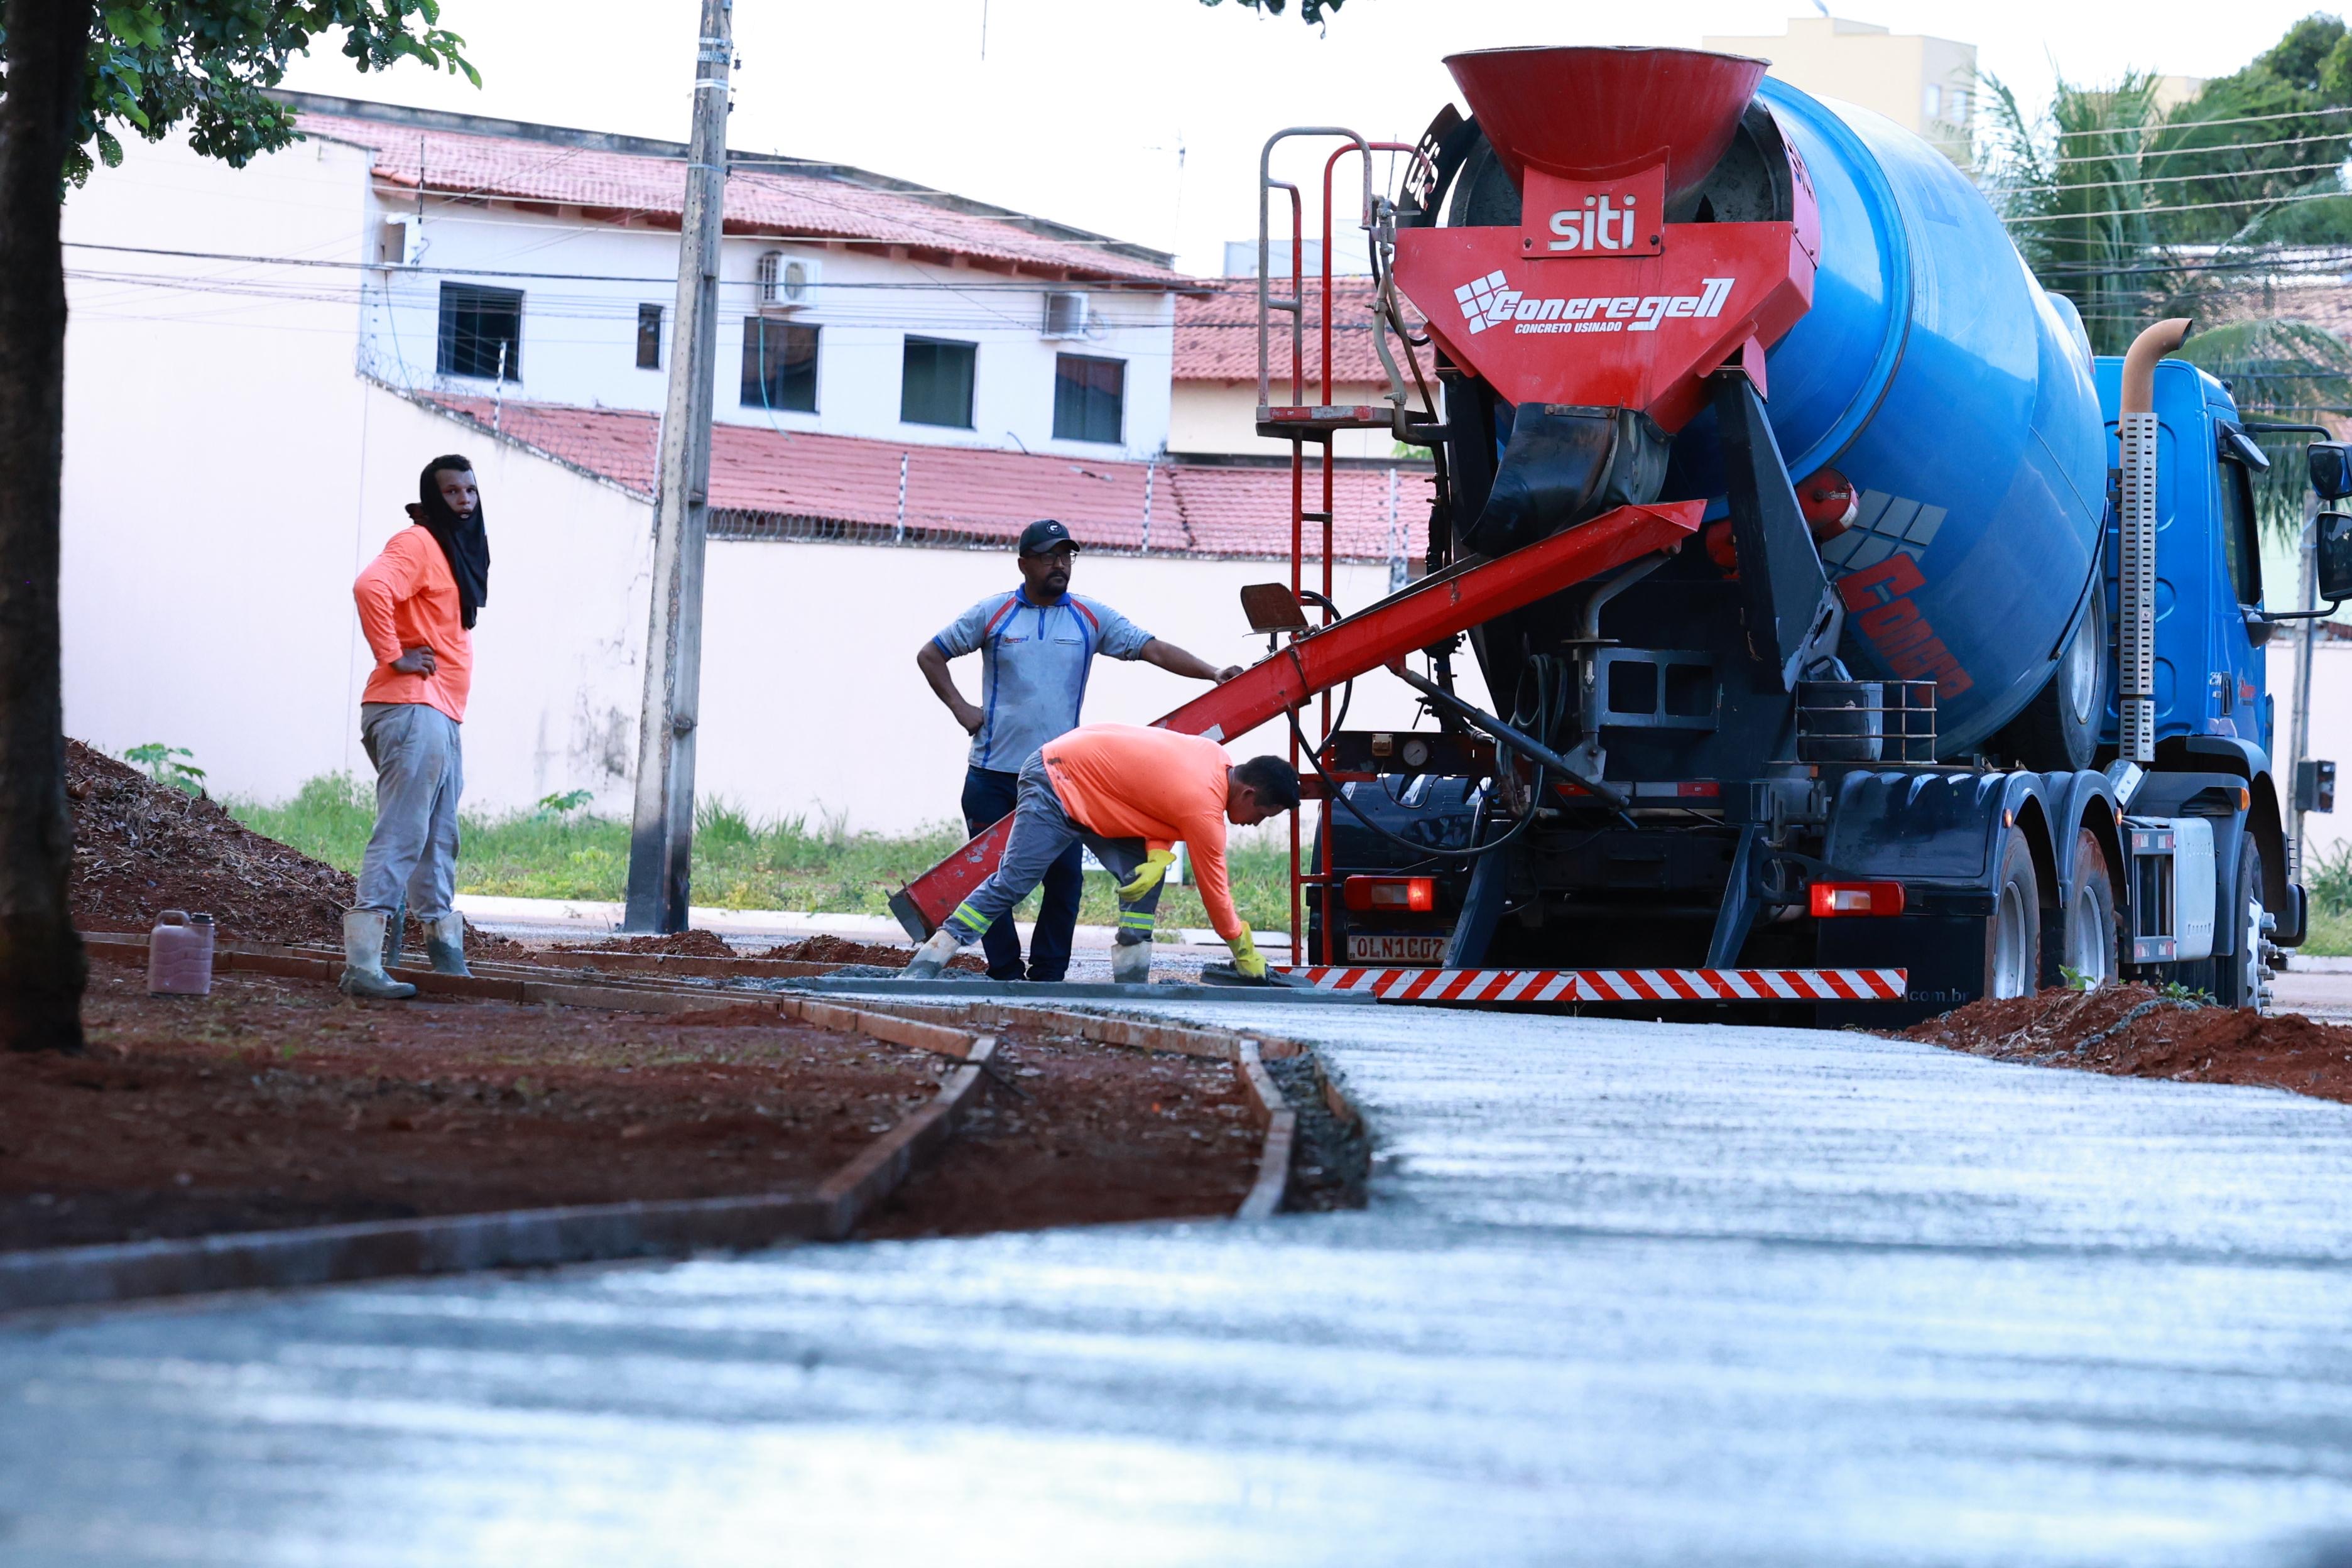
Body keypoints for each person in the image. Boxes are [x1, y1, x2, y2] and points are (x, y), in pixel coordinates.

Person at [917, 519, 1244, 981]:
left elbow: (1153, 649)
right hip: (992, 773)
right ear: (1024, 563)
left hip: (1062, 784)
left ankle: (1049, 974)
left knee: (1065, 882)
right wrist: (960, 708)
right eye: (1049, 556)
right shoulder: (993, 613)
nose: (1060, 565)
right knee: (993, 880)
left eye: (1067, 556)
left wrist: (1212, 673)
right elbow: (930, 654)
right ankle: (1005, 972)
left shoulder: (1090, 617)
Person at [903, 723, 1300, 985]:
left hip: (1096, 796)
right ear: (1248, 794)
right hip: (1056, 779)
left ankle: (1130, 981)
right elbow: (1216, 894)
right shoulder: (1204, 807)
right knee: (1015, 881)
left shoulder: (1215, 760)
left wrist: (1159, 852)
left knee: (1145, 878)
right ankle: (931, 960)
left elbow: (1156, 801)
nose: (1257, 824)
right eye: (1263, 815)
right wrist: (1243, 950)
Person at [339, 454, 491, 999]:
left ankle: (445, 958)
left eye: (470, 491)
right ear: (433, 499)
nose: (464, 501)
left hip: (440, 711)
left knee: (438, 837)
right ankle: (361, 966)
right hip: (409, 706)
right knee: (404, 832)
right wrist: (394, 654)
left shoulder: (452, 553)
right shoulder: (418, 543)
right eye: (452, 493)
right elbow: (369, 587)